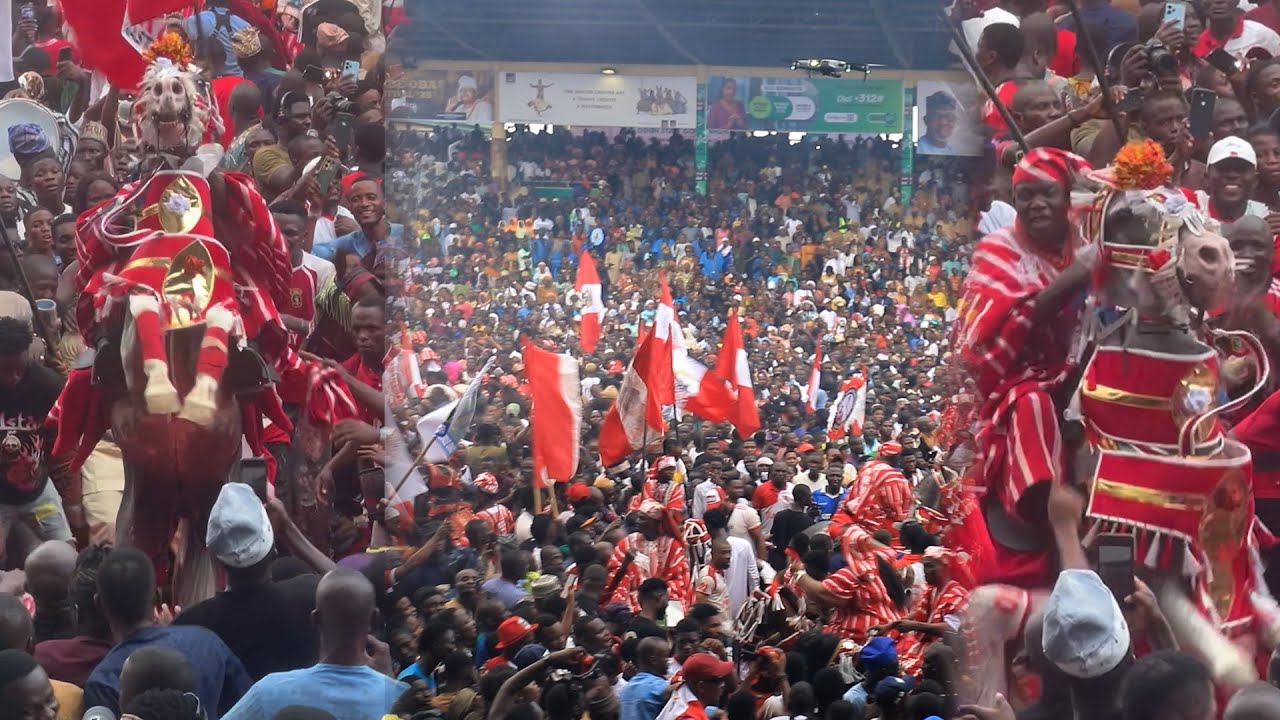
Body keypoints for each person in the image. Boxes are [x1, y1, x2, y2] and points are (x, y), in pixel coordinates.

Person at [952, 148, 1096, 587]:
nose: (1035, 205)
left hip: (1088, 371)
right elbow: (983, 339)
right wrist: (1075, 276)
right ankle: (1045, 507)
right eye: (1024, 195)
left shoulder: (1089, 237)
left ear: (1067, 197)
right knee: (1031, 404)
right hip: (1019, 379)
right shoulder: (999, 250)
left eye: (1047, 194)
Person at [173, 483, 328, 680]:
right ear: (272, 547)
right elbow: (356, 587)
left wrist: (168, 637)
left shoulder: (193, 623)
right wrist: (288, 528)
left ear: (215, 558)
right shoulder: (311, 595)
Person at [83, 548, 252, 717]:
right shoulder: (207, 641)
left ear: (99, 604)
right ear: (157, 596)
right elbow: (250, 705)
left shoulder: (102, 681)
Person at [222, 568, 406, 718]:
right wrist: (390, 684)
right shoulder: (400, 700)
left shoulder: (269, 692)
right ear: (374, 620)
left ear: (315, 619)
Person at [0, 315, 76, 551]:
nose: (12, 378)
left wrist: (73, 500)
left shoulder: (47, 385)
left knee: (66, 554)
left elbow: (64, 447)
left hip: (38, 493)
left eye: (18, 370)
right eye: (3, 371)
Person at [619, 637, 670, 720]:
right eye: (665, 656)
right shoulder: (655, 685)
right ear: (653, 660)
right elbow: (678, 688)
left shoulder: (625, 689)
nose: (668, 660)